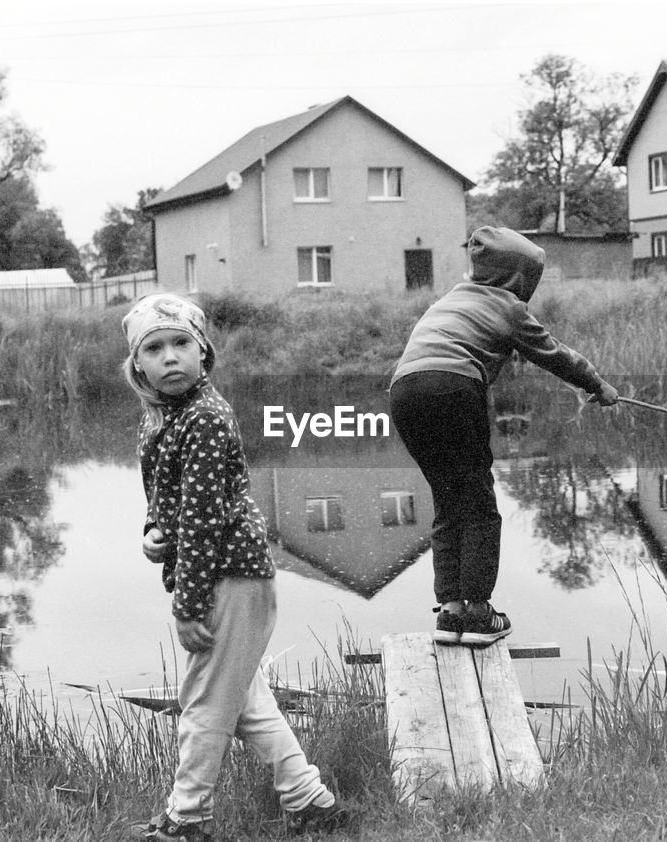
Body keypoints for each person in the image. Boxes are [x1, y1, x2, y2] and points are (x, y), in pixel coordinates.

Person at [121, 293, 348, 841]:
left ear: (205, 354)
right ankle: (309, 801)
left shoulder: (205, 417)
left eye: (182, 344)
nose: (170, 357)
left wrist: (188, 607)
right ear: (137, 364)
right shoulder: (162, 417)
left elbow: (201, 521)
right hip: (215, 573)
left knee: (201, 704)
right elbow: (170, 501)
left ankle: (187, 817)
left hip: (230, 577)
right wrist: (154, 532)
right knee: (246, 702)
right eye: (155, 348)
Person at [389, 226, 620, 647]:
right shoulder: (508, 306)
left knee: (449, 499)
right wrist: (597, 385)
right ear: (517, 276)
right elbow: (554, 354)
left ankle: (451, 612)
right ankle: (478, 615)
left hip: (404, 392)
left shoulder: (449, 300)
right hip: (454, 386)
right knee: (478, 505)